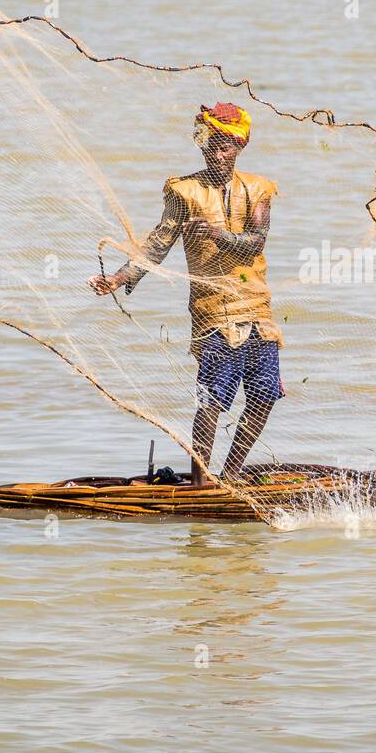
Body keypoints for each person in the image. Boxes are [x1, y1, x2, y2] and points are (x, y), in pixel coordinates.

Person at [88, 102, 283, 485]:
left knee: (264, 396)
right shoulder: (185, 191)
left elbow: (255, 244)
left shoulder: (259, 189)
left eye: (225, 145)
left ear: (239, 147)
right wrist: (121, 276)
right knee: (213, 399)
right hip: (213, 311)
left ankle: (229, 476)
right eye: (211, 143)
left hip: (257, 307)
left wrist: (216, 235)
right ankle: (200, 482)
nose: (217, 152)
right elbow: (159, 242)